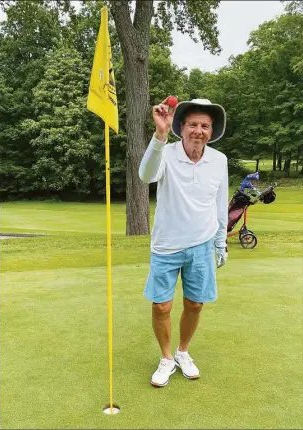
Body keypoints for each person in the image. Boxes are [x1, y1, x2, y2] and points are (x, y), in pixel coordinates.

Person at [138, 98, 229, 387]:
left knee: (195, 304)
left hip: (201, 244)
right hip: (166, 245)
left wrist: (220, 242)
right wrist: (160, 135)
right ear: (182, 127)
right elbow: (146, 175)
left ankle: (182, 352)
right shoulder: (166, 152)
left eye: (205, 126)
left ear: (212, 131)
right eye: (193, 124)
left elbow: (219, 204)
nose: (199, 131)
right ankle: (166, 358)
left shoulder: (219, 160)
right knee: (161, 307)